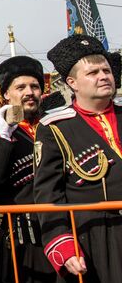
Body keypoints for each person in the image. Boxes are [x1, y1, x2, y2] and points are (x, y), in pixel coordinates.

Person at [34, 35, 122, 282]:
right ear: (72, 82)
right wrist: (63, 244)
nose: (104, 76)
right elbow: (48, 194)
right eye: (93, 72)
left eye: (106, 70)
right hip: (94, 236)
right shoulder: (54, 127)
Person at [0, 56, 56, 283]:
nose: (29, 92)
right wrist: (4, 136)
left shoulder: (56, 127)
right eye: (20, 87)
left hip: (61, 225)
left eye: (35, 86)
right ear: (6, 94)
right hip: (23, 234)